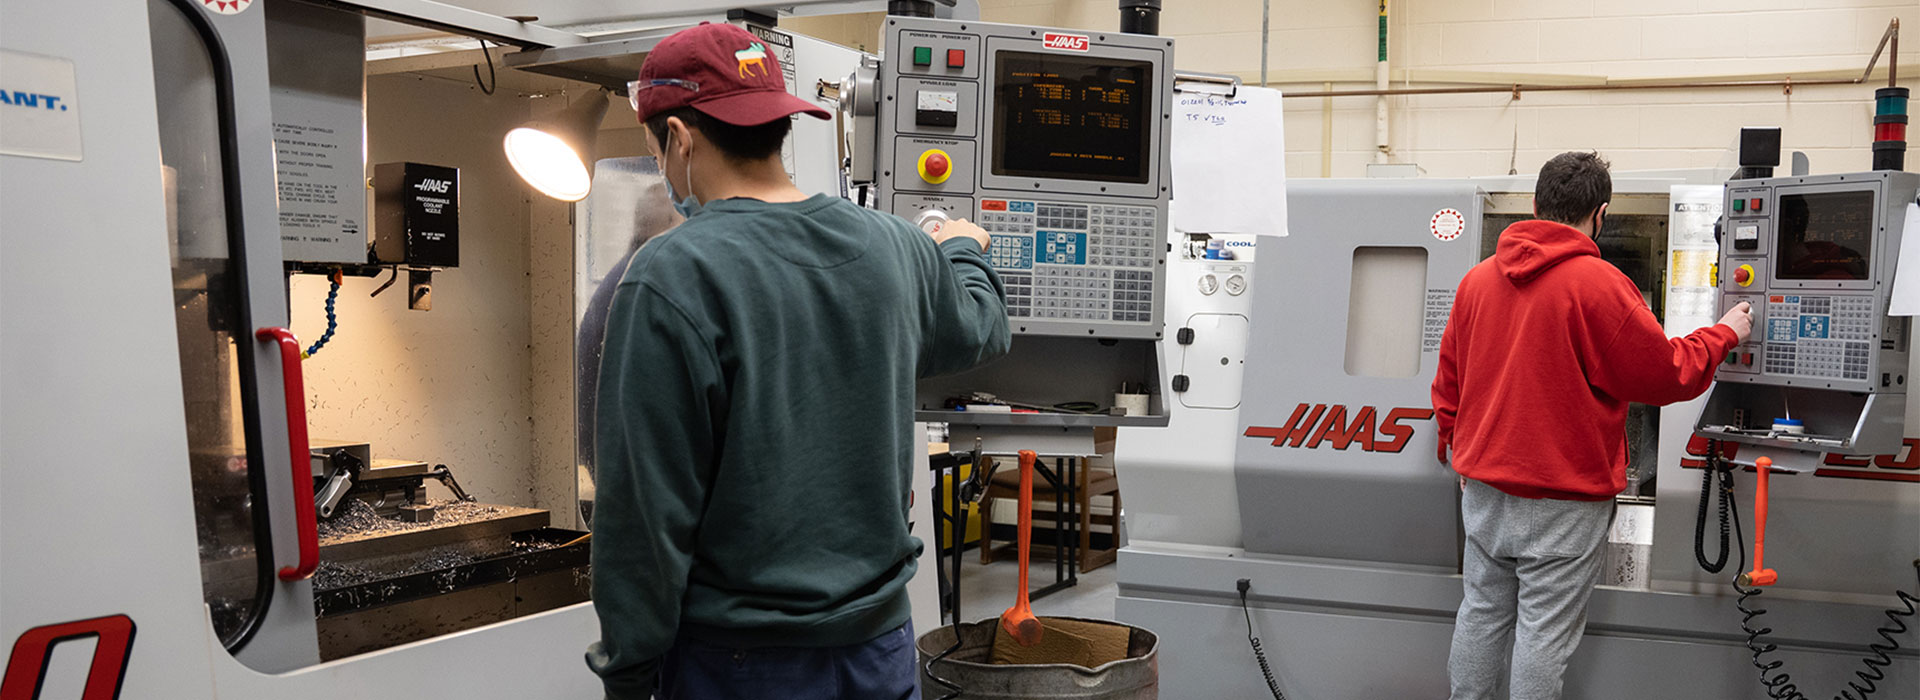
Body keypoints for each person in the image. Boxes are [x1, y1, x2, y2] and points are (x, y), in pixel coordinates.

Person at [585, 22, 1011, 700]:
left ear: (679, 138)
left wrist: (629, 676)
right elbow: (983, 330)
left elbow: (643, 514)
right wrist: (961, 247)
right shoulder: (895, 246)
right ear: (775, 124)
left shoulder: (673, 273)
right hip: (881, 648)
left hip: (742, 661)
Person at [1430, 151, 1752, 700]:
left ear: (1535, 206)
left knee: (1480, 618)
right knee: (1543, 637)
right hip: (1565, 500)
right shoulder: (1600, 286)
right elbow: (1667, 374)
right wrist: (1724, 333)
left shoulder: (1476, 282)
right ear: (1600, 214)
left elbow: (1449, 386)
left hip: (1483, 490)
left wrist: (1455, 453)